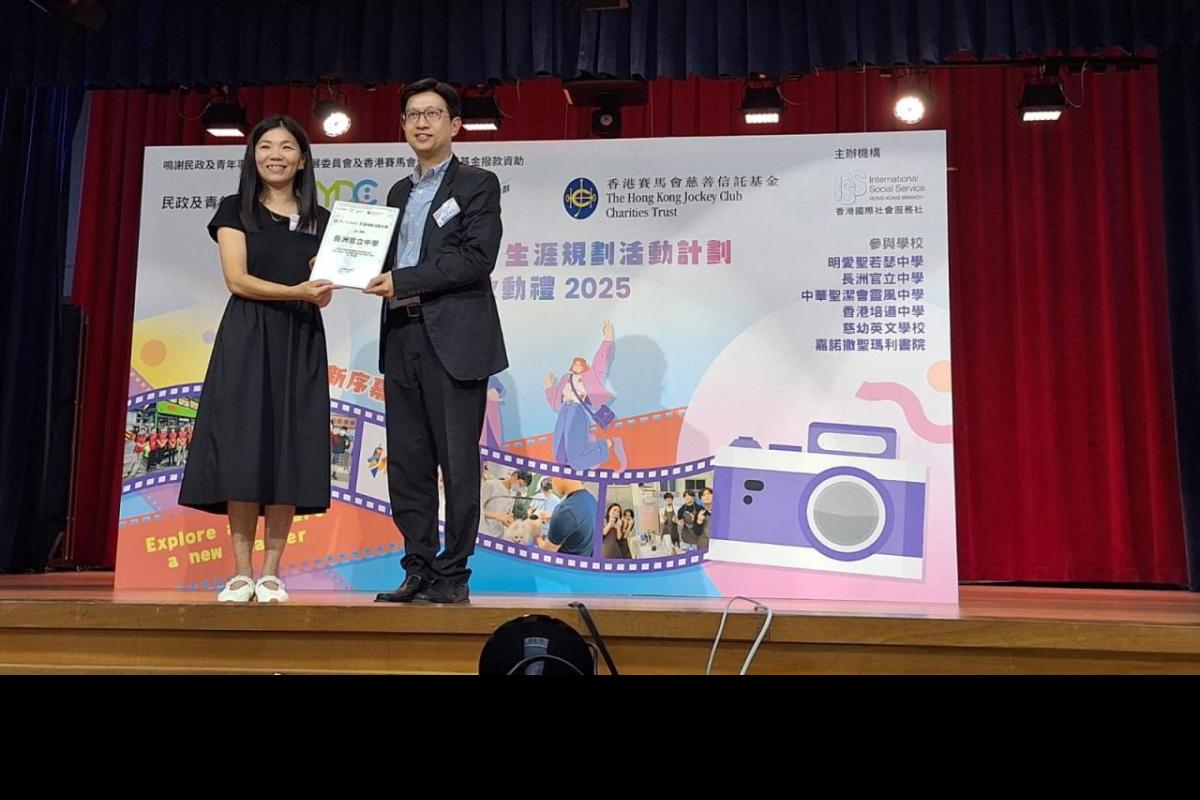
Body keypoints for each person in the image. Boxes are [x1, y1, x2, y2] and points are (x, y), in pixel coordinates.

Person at [178, 115, 334, 604]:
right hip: (248, 335)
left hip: (300, 338)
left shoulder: (321, 219)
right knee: (244, 447)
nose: (275, 155)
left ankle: (271, 573)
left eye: (287, 147)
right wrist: (297, 291)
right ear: (253, 156)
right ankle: (241, 572)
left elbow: (324, 292)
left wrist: (323, 284)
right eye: (265, 146)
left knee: (289, 448)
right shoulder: (235, 209)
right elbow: (237, 279)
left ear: (302, 159)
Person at [366, 79, 508, 605]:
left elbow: (477, 257)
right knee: (408, 463)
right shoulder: (397, 194)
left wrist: (403, 280)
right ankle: (418, 567)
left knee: (457, 462)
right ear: (403, 125)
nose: (421, 123)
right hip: (401, 335)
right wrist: (340, 263)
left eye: (432, 113)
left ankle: (453, 573)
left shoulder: (477, 184)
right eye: (412, 115)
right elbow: (385, 259)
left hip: (455, 342)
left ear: (455, 124)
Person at [544, 321, 627, 473]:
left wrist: (607, 340)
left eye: (580, 364)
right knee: (559, 454)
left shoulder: (589, 377)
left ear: (584, 365)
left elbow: (600, 362)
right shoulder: (565, 378)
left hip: (576, 411)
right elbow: (556, 400)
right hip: (564, 411)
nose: (577, 366)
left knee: (576, 462)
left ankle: (609, 444)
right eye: (575, 364)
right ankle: (591, 446)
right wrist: (549, 387)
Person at [535, 478, 596, 557]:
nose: (552, 484)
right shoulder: (592, 499)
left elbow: (546, 552)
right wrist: (552, 516)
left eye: (552, 479)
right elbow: (579, 521)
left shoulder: (565, 510)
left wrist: (536, 536)